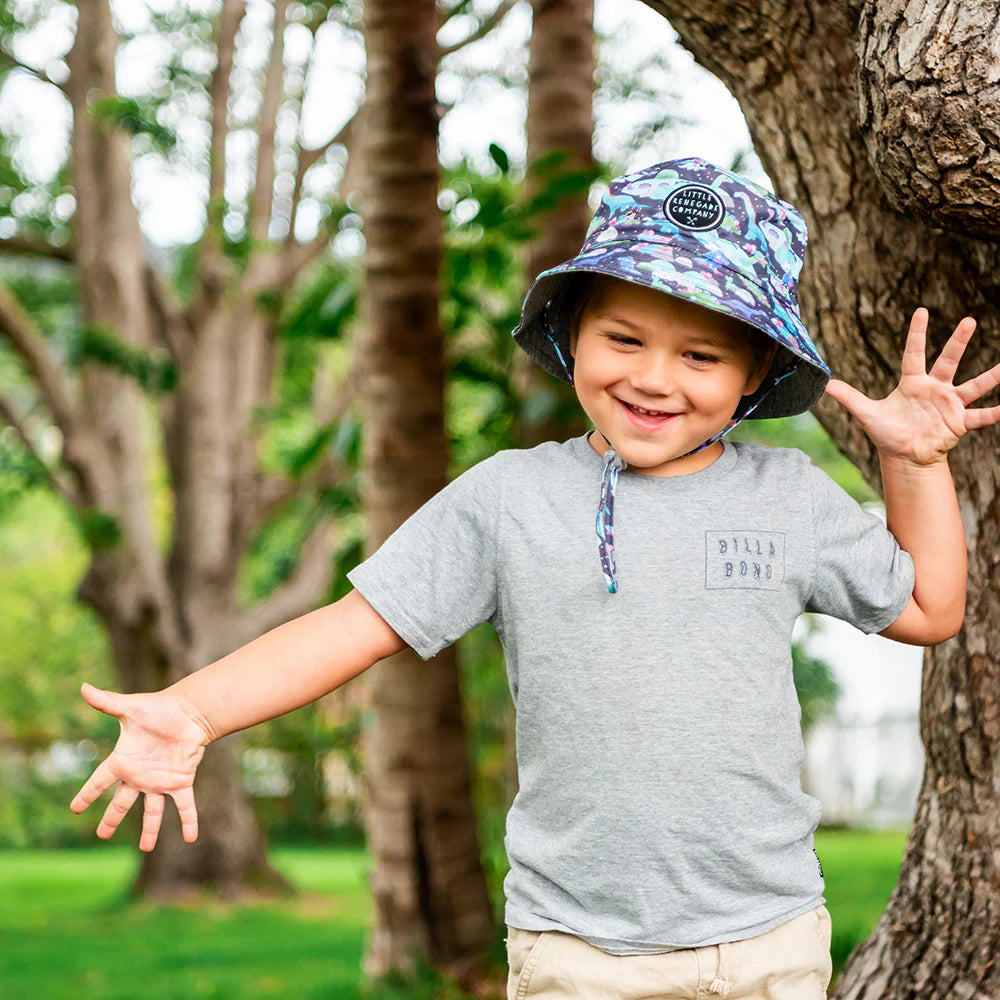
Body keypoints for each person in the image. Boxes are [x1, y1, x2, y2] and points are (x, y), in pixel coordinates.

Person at [70, 159, 1000, 999]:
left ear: (756, 369)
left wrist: (915, 464)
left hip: (759, 947)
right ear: (571, 329)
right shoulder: (510, 498)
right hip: (574, 951)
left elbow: (929, 607)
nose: (655, 378)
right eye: (624, 339)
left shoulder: (784, 496)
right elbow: (352, 626)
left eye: (701, 355)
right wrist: (194, 712)